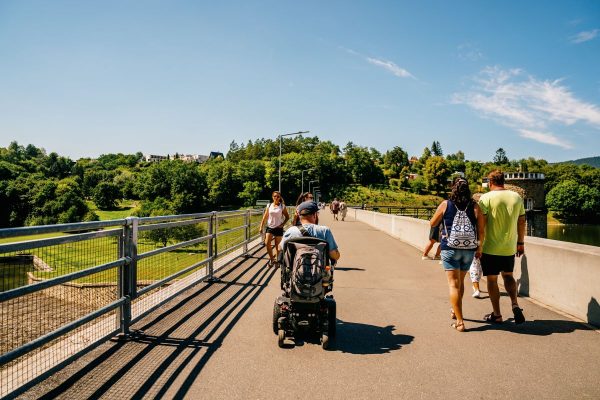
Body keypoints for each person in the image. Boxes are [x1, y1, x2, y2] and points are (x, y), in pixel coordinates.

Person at [430, 178, 483, 332]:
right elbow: (481, 230)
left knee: (453, 284)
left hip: (450, 248)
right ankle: (455, 310)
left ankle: (460, 322)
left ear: (453, 188)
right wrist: (479, 248)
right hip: (469, 249)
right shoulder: (474, 206)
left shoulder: (445, 204)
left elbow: (432, 223)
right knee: (460, 282)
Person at [478, 170, 526, 324]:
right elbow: (521, 222)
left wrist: (478, 246)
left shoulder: (485, 198)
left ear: (490, 182)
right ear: (503, 181)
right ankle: (514, 304)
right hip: (509, 247)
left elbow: (481, 226)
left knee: (492, 280)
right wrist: (520, 243)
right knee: (508, 275)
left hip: (490, 247)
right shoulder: (516, 197)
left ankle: (497, 314)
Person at [259, 191, 290, 267]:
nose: (276, 198)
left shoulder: (282, 206)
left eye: (278, 196)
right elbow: (265, 217)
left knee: (277, 246)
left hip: (278, 228)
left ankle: (277, 261)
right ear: (272, 197)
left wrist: (282, 224)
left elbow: (287, 217)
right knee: (267, 243)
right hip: (270, 227)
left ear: (280, 198)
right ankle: (272, 259)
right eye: (275, 196)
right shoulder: (269, 205)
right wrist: (261, 226)